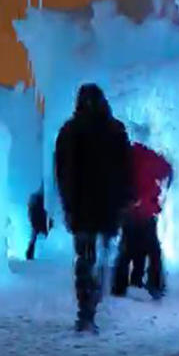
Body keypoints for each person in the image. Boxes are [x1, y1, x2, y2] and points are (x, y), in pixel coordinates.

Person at [53, 83, 132, 333]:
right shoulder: (115, 129)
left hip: (83, 207)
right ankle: (91, 304)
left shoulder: (70, 130)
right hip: (106, 206)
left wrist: (68, 204)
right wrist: (124, 201)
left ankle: (86, 309)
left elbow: (63, 171)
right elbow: (125, 169)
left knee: (86, 259)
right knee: (100, 257)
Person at [111, 130, 173, 300]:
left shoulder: (123, 159)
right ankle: (154, 284)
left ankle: (120, 285)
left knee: (126, 249)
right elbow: (167, 170)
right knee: (152, 250)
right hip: (146, 210)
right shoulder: (149, 157)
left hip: (129, 210)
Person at [24, 188, 53, 261]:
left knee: (33, 238)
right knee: (35, 238)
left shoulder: (35, 198)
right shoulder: (38, 198)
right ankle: (32, 254)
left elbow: (30, 212)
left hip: (38, 222)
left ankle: (31, 254)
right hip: (40, 222)